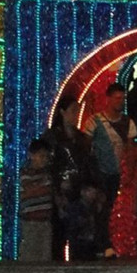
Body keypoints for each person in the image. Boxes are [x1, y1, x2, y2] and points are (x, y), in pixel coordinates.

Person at [83, 81, 137, 258]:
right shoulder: (94, 122)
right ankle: (100, 244)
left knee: (107, 209)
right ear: (108, 99)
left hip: (114, 174)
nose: (120, 101)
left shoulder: (128, 123)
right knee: (98, 208)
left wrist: (129, 172)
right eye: (117, 98)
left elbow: (130, 150)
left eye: (123, 98)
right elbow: (86, 148)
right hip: (97, 174)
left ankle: (103, 245)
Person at [42, 97, 92, 258]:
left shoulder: (82, 139)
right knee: (59, 238)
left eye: (77, 111)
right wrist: (56, 190)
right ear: (63, 113)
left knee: (81, 239)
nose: (76, 115)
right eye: (73, 111)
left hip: (79, 193)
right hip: (61, 194)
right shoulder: (52, 137)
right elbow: (48, 166)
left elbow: (88, 165)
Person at [19, 139, 54, 262]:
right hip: (30, 223)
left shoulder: (48, 174)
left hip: (45, 223)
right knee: (30, 256)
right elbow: (29, 190)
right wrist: (43, 184)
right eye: (41, 156)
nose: (44, 159)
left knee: (45, 256)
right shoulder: (25, 173)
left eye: (46, 157)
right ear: (32, 156)